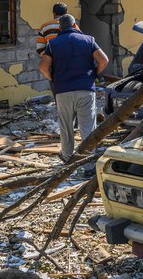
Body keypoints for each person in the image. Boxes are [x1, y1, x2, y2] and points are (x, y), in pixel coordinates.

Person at [38, 14, 108, 166]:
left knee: (66, 126)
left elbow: (43, 67)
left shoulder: (53, 43)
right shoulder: (89, 40)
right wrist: (95, 73)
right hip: (85, 89)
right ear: (75, 26)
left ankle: (68, 158)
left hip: (63, 91)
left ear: (60, 28)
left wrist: (53, 78)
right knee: (88, 127)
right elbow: (104, 60)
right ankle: (89, 163)